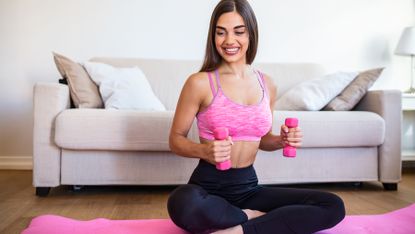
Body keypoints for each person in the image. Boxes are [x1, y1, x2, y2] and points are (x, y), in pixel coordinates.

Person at [167, 0, 345, 233]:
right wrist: (204, 151)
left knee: (332, 205)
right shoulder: (200, 82)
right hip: (208, 187)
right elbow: (175, 139)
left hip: (248, 188)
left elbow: (260, 140)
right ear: (213, 37)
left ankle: (240, 228)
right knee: (182, 202)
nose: (229, 41)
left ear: (251, 34)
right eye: (221, 33)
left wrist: (281, 141)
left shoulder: (267, 84)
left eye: (238, 32)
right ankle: (251, 218)